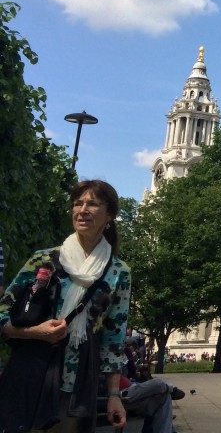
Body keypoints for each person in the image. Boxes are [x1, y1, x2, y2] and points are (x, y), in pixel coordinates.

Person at [0, 179, 132, 433]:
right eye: (77, 203)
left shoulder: (118, 273)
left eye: (92, 204)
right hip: (30, 372)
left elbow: (113, 339)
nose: (82, 210)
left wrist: (114, 395)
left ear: (110, 215)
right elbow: (2, 313)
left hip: (76, 385)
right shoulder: (44, 260)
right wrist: (32, 332)